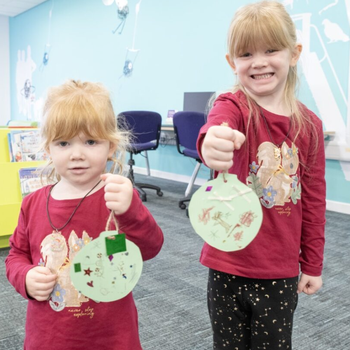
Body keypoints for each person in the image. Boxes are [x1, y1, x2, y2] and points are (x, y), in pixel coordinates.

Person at [197, 2, 326, 349]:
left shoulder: (310, 126)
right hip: (226, 264)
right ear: (232, 63)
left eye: (271, 49)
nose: (259, 61)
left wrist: (312, 263)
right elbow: (217, 127)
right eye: (246, 53)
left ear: (294, 53)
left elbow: (313, 202)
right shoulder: (233, 104)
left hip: (278, 271)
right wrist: (212, 141)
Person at [5, 79, 164, 350]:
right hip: (49, 337)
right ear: (48, 149)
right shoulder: (32, 204)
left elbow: (149, 248)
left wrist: (130, 210)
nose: (77, 155)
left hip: (111, 337)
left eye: (90, 141)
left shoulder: (117, 198)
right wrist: (26, 278)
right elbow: (16, 255)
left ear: (111, 146)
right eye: (64, 143)